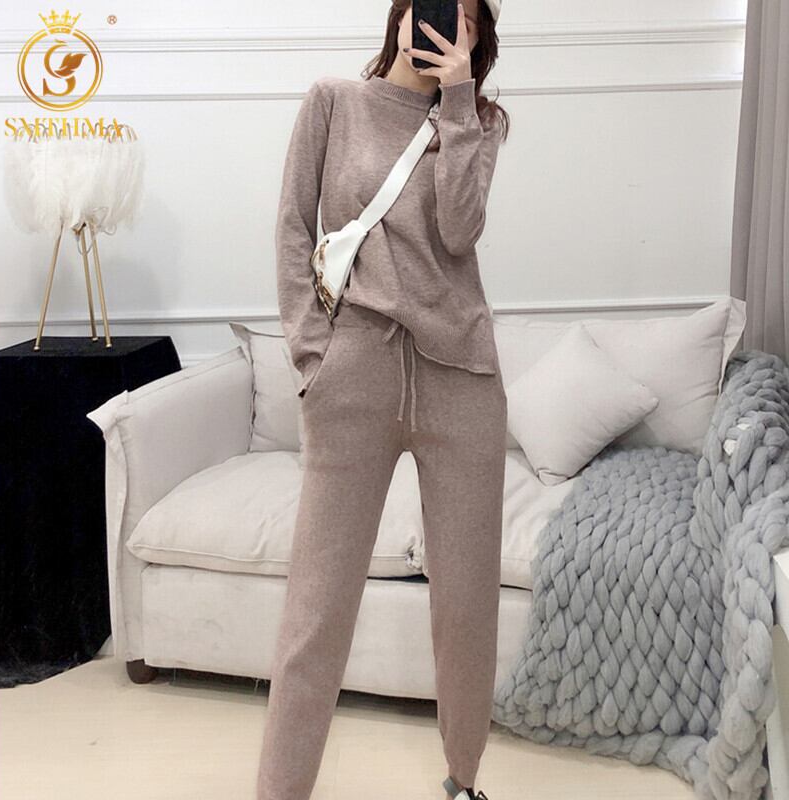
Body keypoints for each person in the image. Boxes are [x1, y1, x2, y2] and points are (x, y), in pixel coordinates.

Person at [257, 1, 508, 798]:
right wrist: (313, 354)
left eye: (462, 17)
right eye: (430, 5)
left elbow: (459, 232)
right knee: (316, 611)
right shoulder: (333, 102)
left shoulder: (480, 122)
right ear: (400, 15)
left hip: (461, 380)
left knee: (465, 606)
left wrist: (459, 102)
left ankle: (463, 781)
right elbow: (294, 229)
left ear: (475, 40)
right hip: (354, 373)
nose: (438, 22)